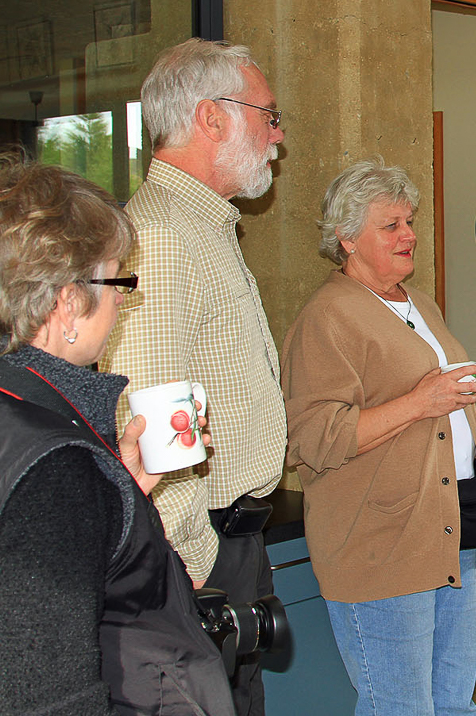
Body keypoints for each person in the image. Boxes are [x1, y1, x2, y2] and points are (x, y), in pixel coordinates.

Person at [0, 156, 234, 715]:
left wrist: (116, 494)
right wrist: (82, 485)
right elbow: (47, 696)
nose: (121, 301)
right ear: (67, 304)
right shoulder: (52, 469)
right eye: (118, 281)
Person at [101, 38, 288, 716]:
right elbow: (150, 410)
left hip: (232, 540)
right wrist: (194, 557)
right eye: (268, 115)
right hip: (200, 550)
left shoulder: (205, 225)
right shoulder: (161, 235)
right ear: (212, 117)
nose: (278, 134)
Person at [282, 157, 476, 716]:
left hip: (451, 528)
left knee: (454, 705)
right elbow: (312, 437)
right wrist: (421, 402)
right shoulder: (326, 318)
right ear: (347, 238)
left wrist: (450, 394)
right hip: (384, 542)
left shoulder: (417, 302)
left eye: (410, 221)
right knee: (400, 708)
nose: (410, 235)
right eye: (392, 225)